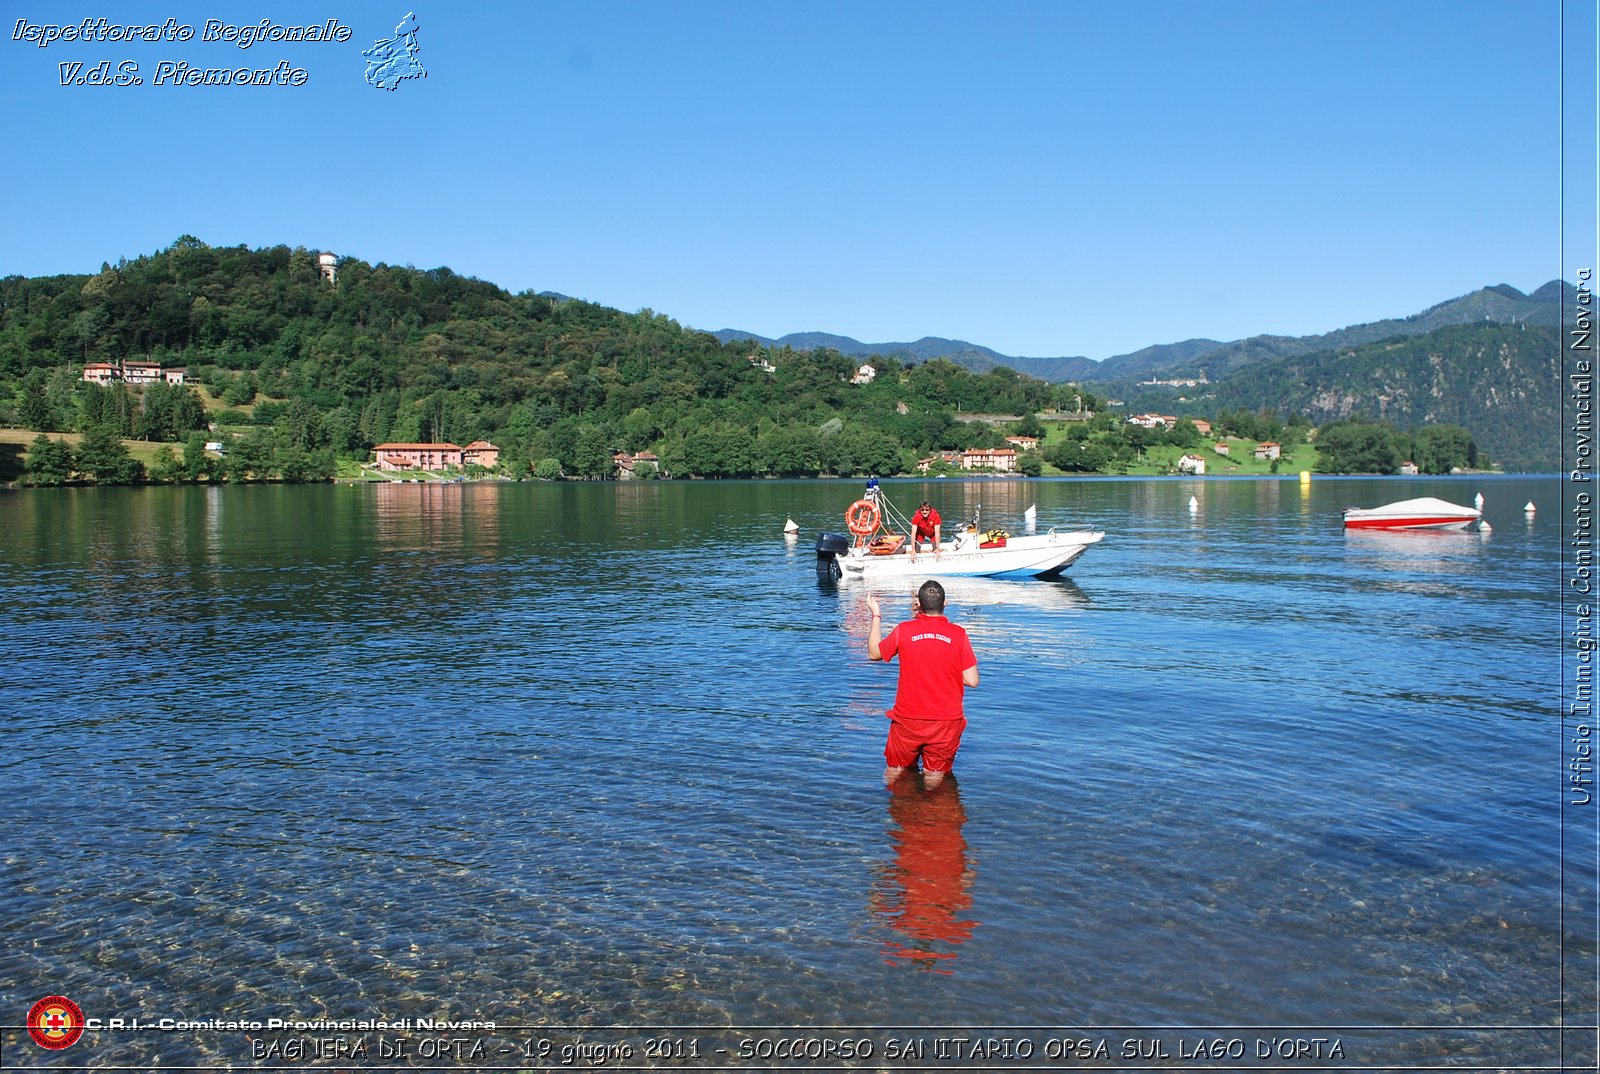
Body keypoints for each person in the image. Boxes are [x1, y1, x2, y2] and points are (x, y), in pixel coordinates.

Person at [865, 580, 979, 787]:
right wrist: (946, 672)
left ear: (918, 603)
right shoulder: (958, 634)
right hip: (946, 721)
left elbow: (874, 653)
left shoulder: (904, 630)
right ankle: (933, 814)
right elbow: (972, 680)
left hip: (908, 719)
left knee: (895, 770)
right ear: (946, 604)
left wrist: (876, 614)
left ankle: (896, 813)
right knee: (935, 775)